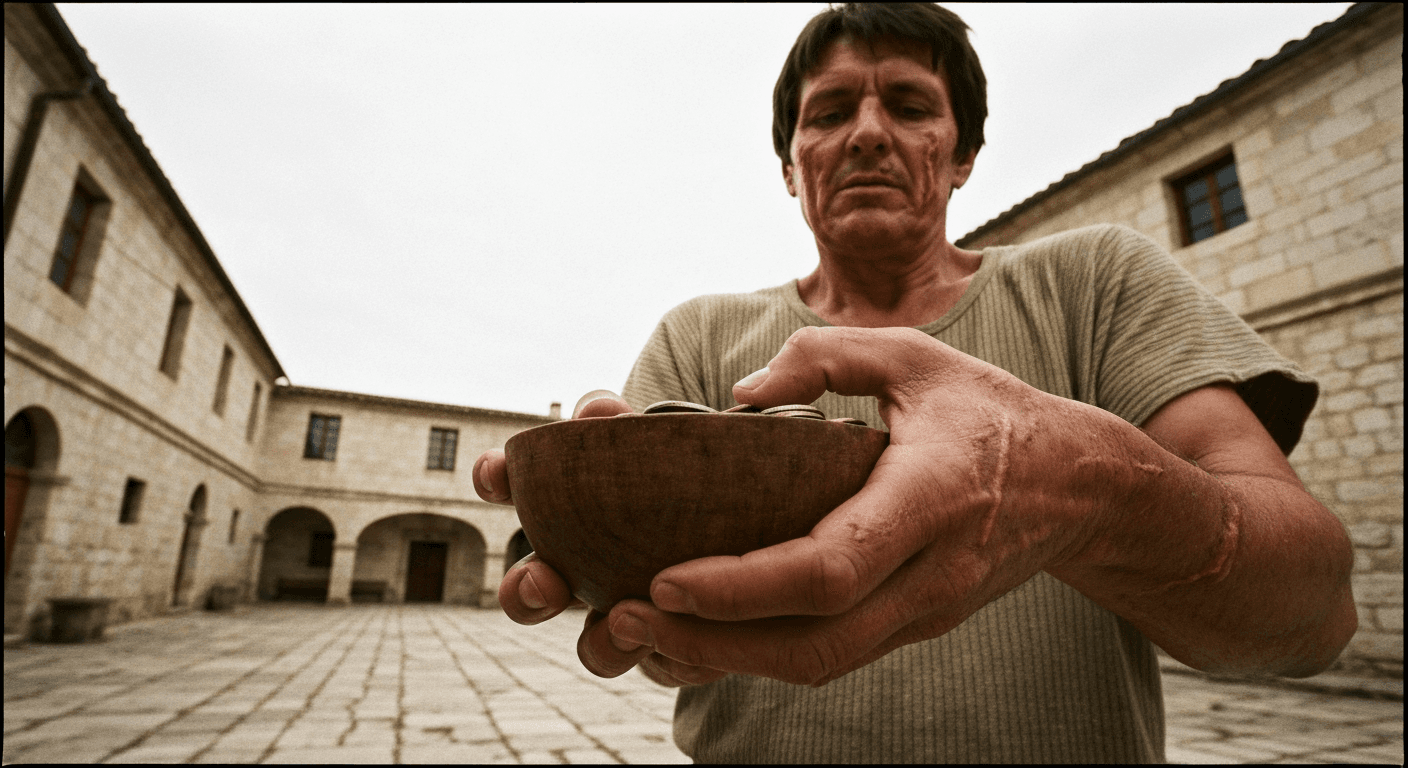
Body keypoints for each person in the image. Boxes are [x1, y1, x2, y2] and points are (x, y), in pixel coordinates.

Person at [474, 3, 1358, 762]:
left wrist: (1086, 488)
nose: (866, 132)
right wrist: (631, 598)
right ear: (791, 166)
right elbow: (632, 606)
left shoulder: (1096, 284)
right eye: (827, 114)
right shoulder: (701, 333)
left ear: (962, 152)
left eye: (907, 104)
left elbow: (1314, 617)